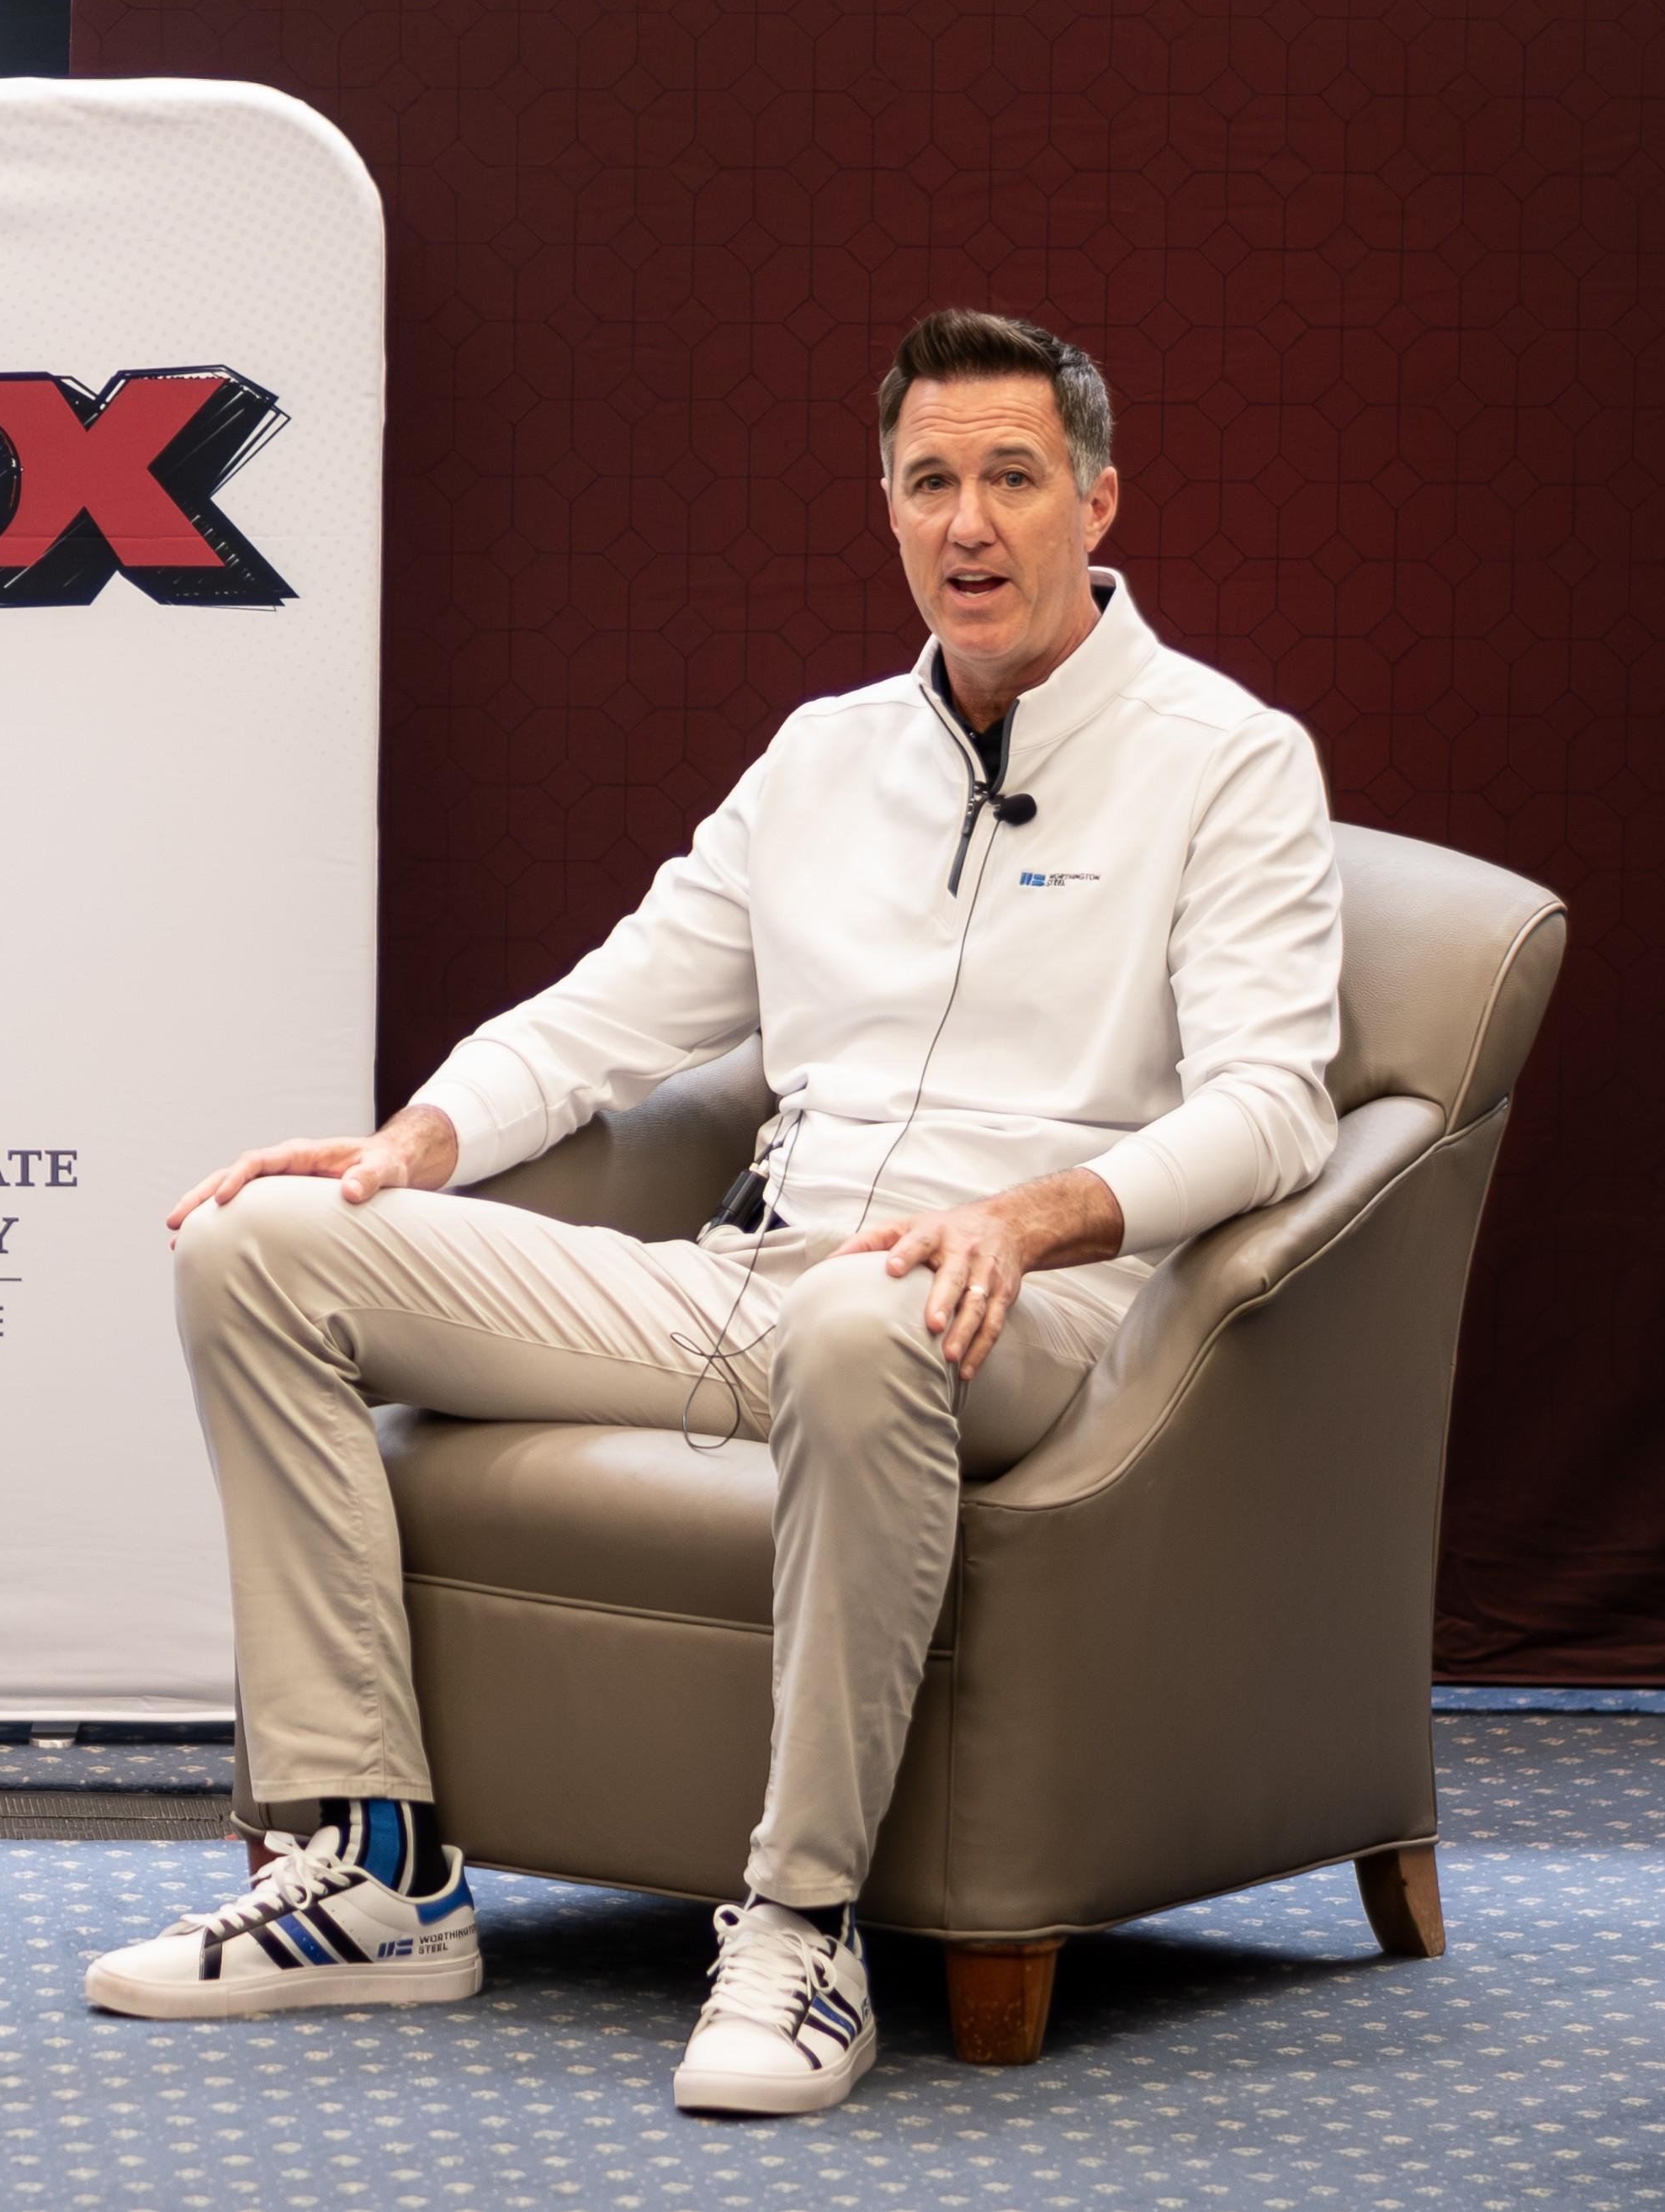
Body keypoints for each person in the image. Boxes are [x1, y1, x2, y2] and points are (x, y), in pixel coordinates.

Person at [87, 310, 1341, 2116]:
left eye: (1009, 477)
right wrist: (402, 1148)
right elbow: (613, 1010)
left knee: (863, 1314)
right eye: (928, 482)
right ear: (886, 508)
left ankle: (800, 1924)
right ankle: (372, 1867)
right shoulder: (820, 756)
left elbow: (1271, 1102)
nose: (966, 521)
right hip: (749, 1286)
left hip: (1023, 1314)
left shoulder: (1226, 757)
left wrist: (1033, 1213)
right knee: (254, 1252)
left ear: (1095, 498)